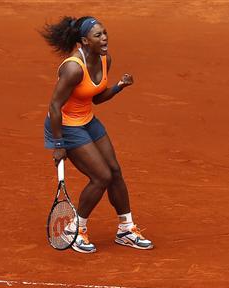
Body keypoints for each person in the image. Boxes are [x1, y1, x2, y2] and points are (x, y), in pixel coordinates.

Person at [40, 16, 153, 253]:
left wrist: (119, 87)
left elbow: (96, 98)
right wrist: (58, 144)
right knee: (100, 176)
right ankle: (75, 229)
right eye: (98, 35)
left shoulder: (105, 60)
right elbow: (54, 106)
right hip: (66, 125)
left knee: (114, 171)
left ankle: (126, 229)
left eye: (105, 33)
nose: (104, 38)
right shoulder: (72, 68)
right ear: (84, 41)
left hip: (88, 120)